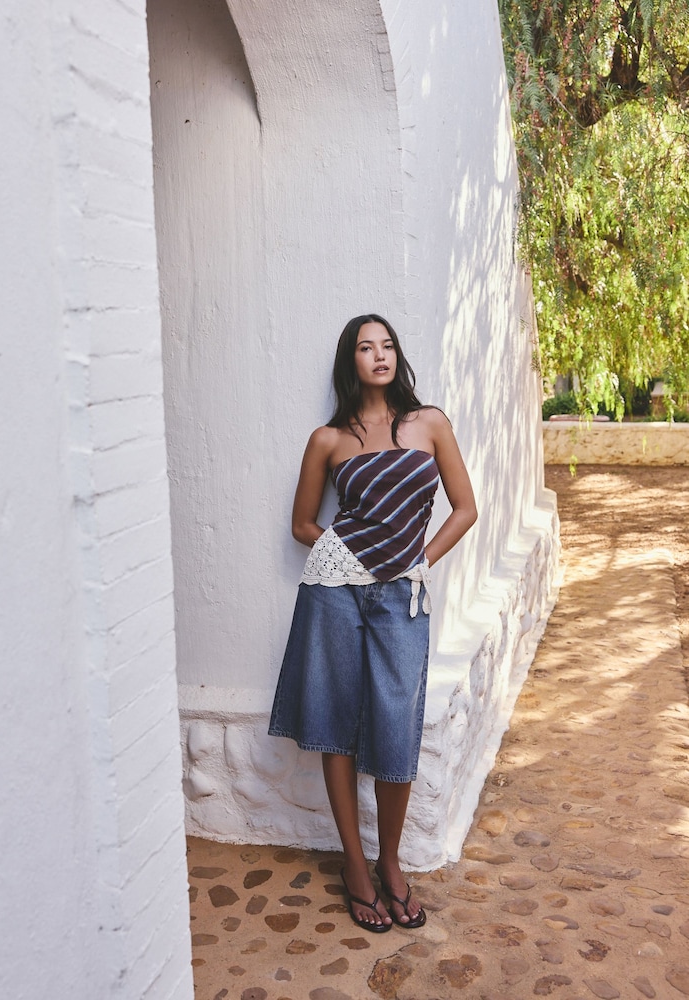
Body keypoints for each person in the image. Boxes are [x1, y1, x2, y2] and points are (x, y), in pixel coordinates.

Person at [269, 314, 477, 933]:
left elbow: (465, 509)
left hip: (401, 596)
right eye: (366, 347)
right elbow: (303, 524)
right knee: (336, 721)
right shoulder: (328, 440)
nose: (379, 355)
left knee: (395, 724)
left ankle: (391, 864)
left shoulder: (429, 424)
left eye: (387, 346)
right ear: (350, 362)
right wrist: (339, 550)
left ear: (398, 357)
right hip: (335, 592)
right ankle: (355, 867)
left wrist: (420, 562)